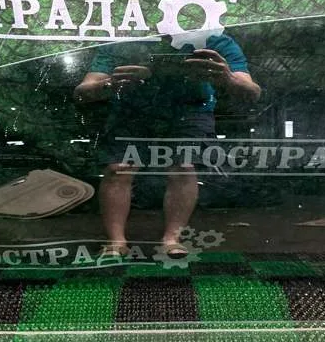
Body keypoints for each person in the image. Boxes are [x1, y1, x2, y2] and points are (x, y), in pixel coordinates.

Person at [74, 34, 261, 257]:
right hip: (131, 110)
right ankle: (116, 241)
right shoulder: (124, 40)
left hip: (190, 108)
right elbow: (82, 91)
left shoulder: (214, 39)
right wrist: (111, 84)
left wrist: (226, 77)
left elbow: (252, 92)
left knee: (183, 168)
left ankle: (172, 239)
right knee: (118, 169)